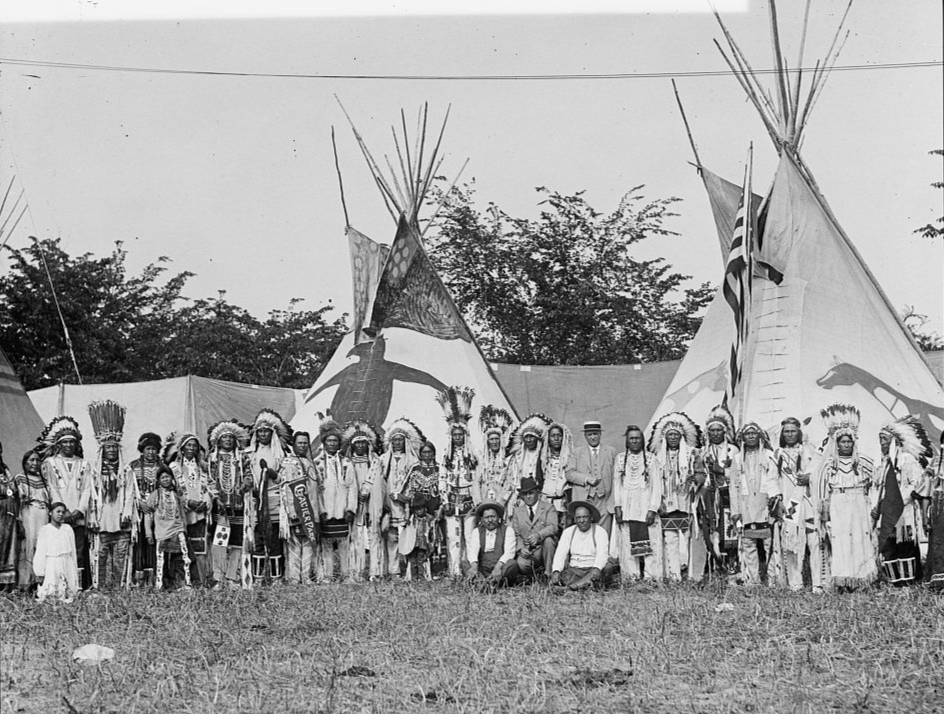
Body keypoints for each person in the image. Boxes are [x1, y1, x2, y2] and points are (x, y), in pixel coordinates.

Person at [817, 404, 877, 590]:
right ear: (836, 443)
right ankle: (843, 580)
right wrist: (824, 510)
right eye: (842, 442)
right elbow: (822, 489)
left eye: (849, 442)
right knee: (840, 540)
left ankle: (861, 579)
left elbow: (876, 483)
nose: (846, 445)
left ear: (854, 442)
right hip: (837, 503)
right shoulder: (829, 464)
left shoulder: (864, 462)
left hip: (858, 504)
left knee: (860, 539)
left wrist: (872, 502)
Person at [873, 416, 933, 585]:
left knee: (905, 544)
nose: (882, 443)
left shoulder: (907, 459)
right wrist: (877, 505)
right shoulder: (882, 463)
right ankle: (895, 582)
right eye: (880, 439)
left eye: (885, 439)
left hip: (903, 512)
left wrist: (899, 500)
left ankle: (908, 582)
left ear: (894, 441)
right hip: (886, 511)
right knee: (889, 545)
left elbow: (916, 483)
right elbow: (877, 487)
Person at [647, 412, 706, 581]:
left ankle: (691, 575)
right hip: (667, 503)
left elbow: (702, 474)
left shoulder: (692, 454)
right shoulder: (657, 458)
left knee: (688, 540)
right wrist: (658, 502)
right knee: (670, 540)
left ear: (681, 436)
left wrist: (694, 480)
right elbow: (653, 482)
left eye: (676, 435)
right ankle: (674, 576)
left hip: (686, 502)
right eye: (670, 435)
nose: (673, 437)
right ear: (665, 437)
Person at [40, 416, 94, 589]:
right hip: (60, 516)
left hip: (78, 517)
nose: (69, 445)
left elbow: (87, 489)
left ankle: (77, 586)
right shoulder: (50, 463)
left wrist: (79, 510)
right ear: (59, 444)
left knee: (77, 551)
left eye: (72, 442)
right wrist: (63, 511)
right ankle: (59, 585)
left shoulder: (84, 464)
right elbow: (52, 487)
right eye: (65, 442)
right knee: (59, 550)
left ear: (77, 444)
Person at [87, 400, 135, 590]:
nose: (112, 450)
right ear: (103, 450)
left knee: (121, 554)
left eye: (115, 447)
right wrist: (92, 517)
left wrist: (127, 513)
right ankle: (100, 586)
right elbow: (92, 495)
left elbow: (130, 493)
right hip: (102, 519)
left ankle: (119, 586)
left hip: (120, 518)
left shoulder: (126, 470)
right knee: (101, 554)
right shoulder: (95, 472)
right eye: (108, 447)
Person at [370, 418, 424, 581]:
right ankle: (394, 570)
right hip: (389, 505)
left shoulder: (413, 460)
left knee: (408, 538)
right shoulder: (383, 460)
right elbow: (378, 483)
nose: (397, 443)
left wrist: (406, 498)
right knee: (392, 537)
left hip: (406, 505)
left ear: (405, 441)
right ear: (390, 442)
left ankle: (410, 570)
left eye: (400, 440)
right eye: (395, 440)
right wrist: (382, 503)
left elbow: (417, 484)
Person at [774, 417, 824, 592]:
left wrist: (810, 478)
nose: (789, 434)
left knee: (814, 540)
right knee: (791, 541)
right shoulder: (777, 454)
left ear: (799, 432)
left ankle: (818, 583)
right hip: (790, 504)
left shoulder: (810, 450)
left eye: (793, 431)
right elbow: (772, 480)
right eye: (786, 431)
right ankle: (795, 583)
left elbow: (821, 472)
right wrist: (778, 500)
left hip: (809, 501)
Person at [730, 423, 781, 586]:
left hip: (765, 504)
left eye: (754, 433)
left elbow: (774, 479)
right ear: (742, 438)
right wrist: (735, 510)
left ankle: (773, 579)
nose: (751, 436)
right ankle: (752, 580)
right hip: (745, 506)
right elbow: (734, 486)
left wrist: (774, 502)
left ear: (760, 436)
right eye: (748, 434)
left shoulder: (768, 455)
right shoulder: (737, 459)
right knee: (748, 544)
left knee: (770, 544)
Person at [207, 420, 255, 589]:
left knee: (236, 543)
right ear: (218, 441)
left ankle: (232, 577)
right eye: (224, 437)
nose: (227, 440)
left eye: (230, 437)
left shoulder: (242, 457)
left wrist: (245, 484)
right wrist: (216, 497)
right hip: (220, 507)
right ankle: (218, 578)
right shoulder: (213, 458)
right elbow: (209, 480)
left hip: (238, 506)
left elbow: (249, 475)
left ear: (235, 441)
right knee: (220, 542)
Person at [436, 386, 478, 579]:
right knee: (454, 537)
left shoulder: (473, 455)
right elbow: (442, 478)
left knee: (469, 536)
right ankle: (454, 572)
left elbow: (477, 479)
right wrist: (445, 501)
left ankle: (470, 571)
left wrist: (477, 502)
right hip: (452, 500)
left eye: (460, 434)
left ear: (465, 435)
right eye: (455, 435)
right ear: (451, 436)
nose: (458, 438)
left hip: (469, 499)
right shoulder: (446, 456)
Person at [611, 425, 663, 582]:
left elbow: (656, 485)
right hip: (626, 507)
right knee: (627, 544)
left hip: (645, 506)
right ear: (627, 441)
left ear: (642, 440)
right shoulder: (620, 459)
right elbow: (616, 484)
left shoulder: (651, 459)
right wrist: (617, 506)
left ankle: (651, 578)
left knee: (650, 543)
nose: (634, 441)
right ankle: (631, 578)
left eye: (637, 438)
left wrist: (653, 508)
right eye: (631, 438)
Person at [248, 409, 292, 583]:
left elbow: (286, 478)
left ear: (272, 433)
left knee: (274, 541)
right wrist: (251, 487)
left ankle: (276, 577)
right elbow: (247, 475)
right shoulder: (249, 454)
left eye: (266, 431)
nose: (263, 434)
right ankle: (258, 577)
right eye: (260, 431)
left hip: (274, 501)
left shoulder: (280, 454)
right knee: (258, 540)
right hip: (255, 502)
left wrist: (274, 475)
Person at [166, 432, 212, 587]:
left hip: (200, 513)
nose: (192, 448)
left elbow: (209, 487)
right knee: (181, 547)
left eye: (194, 446)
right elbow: (171, 489)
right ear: (182, 448)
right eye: (189, 445)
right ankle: (181, 581)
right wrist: (187, 502)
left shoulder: (203, 467)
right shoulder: (174, 467)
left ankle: (200, 580)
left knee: (199, 547)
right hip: (182, 513)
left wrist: (205, 500)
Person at [315, 417, 356, 582]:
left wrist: (350, 508)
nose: (332, 444)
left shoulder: (346, 463)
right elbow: (316, 491)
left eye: (335, 441)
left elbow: (352, 487)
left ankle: (346, 575)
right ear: (324, 443)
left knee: (344, 544)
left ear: (339, 443)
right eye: (329, 441)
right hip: (326, 510)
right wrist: (321, 510)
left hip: (342, 510)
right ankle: (327, 575)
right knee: (326, 545)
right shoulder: (317, 463)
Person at [279, 431, 321, 585]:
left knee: (309, 543)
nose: (303, 446)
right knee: (295, 544)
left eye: (305, 443)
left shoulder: (310, 462)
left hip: (311, 510)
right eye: (300, 443)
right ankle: (294, 577)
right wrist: (292, 510)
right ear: (294, 444)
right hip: (298, 509)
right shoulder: (289, 462)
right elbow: (287, 487)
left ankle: (306, 576)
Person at [702, 405, 740, 573]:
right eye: (712, 431)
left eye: (719, 430)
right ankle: (715, 566)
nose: (716, 433)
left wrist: (722, 471)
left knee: (730, 530)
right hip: (709, 496)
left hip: (728, 495)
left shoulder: (733, 450)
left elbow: (739, 474)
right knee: (713, 529)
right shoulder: (703, 452)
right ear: (708, 433)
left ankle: (732, 566)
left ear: (724, 432)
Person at [342, 420, 381, 582]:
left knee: (374, 535)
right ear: (352, 445)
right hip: (354, 503)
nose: (360, 446)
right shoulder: (346, 463)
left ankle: (375, 572)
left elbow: (379, 483)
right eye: (357, 443)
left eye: (363, 443)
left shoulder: (374, 461)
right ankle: (356, 571)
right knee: (356, 536)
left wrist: (369, 494)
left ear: (368, 444)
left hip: (372, 502)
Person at [126, 432, 165, 588]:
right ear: (142, 450)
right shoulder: (133, 467)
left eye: (154, 449)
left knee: (155, 542)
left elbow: (167, 487)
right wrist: (139, 503)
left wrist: (157, 503)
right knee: (139, 543)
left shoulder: (163, 467)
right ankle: (138, 578)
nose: (151, 452)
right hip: (138, 512)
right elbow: (128, 489)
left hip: (158, 511)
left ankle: (155, 577)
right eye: (148, 448)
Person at [146, 469, 191, 590]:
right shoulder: (155, 495)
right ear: (158, 481)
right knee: (161, 560)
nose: (166, 479)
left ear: (172, 478)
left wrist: (184, 528)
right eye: (162, 477)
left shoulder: (177, 494)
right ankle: (160, 585)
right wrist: (148, 533)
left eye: (168, 476)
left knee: (182, 557)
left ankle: (183, 583)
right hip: (162, 532)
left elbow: (182, 511)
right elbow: (148, 514)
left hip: (178, 530)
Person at [568, 421, 617, 533]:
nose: (593, 437)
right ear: (585, 436)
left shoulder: (611, 452)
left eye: (595, 434)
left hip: (605, 500)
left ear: (600, 434)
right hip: (584, 499)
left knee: (604, 532)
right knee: (585, 532)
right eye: (590, 434)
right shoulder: (576, 453)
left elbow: (617, 476)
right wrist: (586, 479)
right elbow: (569, 473)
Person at [551, 501, 611, 590]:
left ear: (591, 518)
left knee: (606, 568)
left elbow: (602, 554)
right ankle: (583, 586)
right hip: (575, 570)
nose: (582, 521)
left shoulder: (600, 532)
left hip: (592, 569)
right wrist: (556, 570)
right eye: (578, 518)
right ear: (575, 519)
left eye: (585, 517)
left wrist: (597, 568)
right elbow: (561, 553)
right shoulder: (568, 532)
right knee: (564, 577)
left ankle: (570, 588)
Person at [509, 476, 559, 581]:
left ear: (537, 493)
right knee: (521, 564)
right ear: (521, 496)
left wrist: (539, 535)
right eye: (525, 494)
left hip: (544, 549)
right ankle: (535, 576)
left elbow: (553, 527)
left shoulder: (548, 508)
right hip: (529, 550)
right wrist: (521, 548)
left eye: (531, 493)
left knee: (549, 541)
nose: (528, 496)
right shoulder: (518, 512)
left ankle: (548, 573)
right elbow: (516, 534)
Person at [16, 449, 50, 592]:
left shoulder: (44, 481)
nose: (35, 463)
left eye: (37, 460)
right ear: (25, 463)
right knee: (28, 546)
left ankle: (40, 583)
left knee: (41, 546)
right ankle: (25, 583)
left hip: (43, 516)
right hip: (28, 515)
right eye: (31, 460)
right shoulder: (20, 478)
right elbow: (17, 502)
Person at [32, 501, 79, 603]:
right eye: (58, 511)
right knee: (52, 591)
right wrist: (40, 572)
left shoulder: (67, 529)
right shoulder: (45, 530)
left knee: (68, 593)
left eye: (63, 512)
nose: (60, 514)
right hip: (52, 563)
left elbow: (73, 550)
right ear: (50, 513)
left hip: (67, 562)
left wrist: (74, 567)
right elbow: (40, 552)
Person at [465, 502, 518, 589]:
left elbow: (509, 552)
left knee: (512, 564)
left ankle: (488, 583)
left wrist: (498, 568)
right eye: (486, 517)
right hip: (482, 567)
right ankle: (482, 582)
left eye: (493, 516)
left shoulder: (508, 530)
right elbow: (473, 551)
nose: (490, 520)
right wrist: (474, 566)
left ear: (498, 517)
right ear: (482, 519)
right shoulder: (477, 531)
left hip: (500, 566)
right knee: (465, 563)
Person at [506, 414, 551, 511]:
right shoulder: (517, 458)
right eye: (526, 437)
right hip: (520, 496)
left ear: (537, 439)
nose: (529, 440)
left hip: (539, 496)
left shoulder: (544, 457)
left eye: (532, 437)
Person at [474, 406, 514, 511]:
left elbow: (509, 484)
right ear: (487, 441)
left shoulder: (508, 459)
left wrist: (500, 503)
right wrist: (479, 502)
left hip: (501, 502)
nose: (494, 442)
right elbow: (476, 482)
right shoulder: (482, 459)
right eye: (491, 439)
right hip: (484, 498)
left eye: (497, 439)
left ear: (501, 440)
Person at [542, 422, 577, 524]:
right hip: (546, 503)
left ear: (564, 437)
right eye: (553, 436)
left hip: (564, 504)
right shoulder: (543, 459)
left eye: (559, 435)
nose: (556, 438)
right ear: (548, 438)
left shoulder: (571, 458)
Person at [400, 495, 436, 581]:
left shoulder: (428, 518)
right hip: (413, 544)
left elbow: (432, 532)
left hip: (423, 544)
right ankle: (414, 577)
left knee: (421, 560)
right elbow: (406, 528)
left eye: (420, 508)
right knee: (413, 561)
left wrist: (431, 544)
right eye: (416, 509)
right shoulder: (412, 518)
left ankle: (421, 577)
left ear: (425, 508)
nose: (419, 511)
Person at [924, 432, 944, 589]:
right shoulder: (936, 463)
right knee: (938, 541)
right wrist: (925, 514)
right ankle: (939, 580)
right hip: (938, 506)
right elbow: (926, 491)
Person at [0, 440, 20, 590]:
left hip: (8, 511)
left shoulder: (5, 469)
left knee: (8, 544)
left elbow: (13, 489)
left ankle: (5, 583)